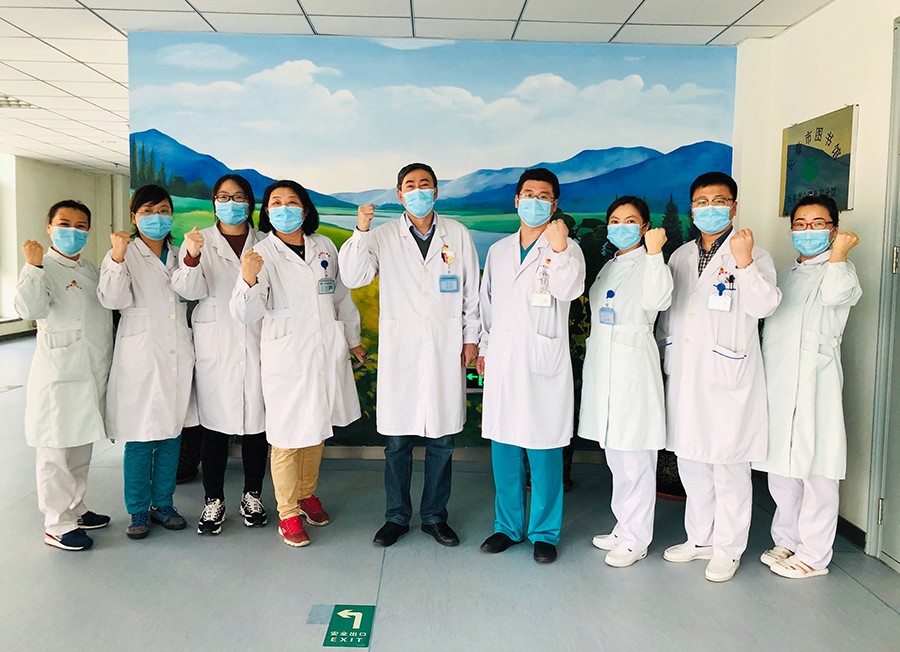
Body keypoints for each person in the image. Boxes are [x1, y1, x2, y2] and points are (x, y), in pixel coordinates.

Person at [338, 163, 480, 548]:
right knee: (397, 443)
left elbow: (471, 292)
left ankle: (434, 516)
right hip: (402, 351)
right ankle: (396, 516)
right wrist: (361, 230)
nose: (418, 191)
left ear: (436, 191)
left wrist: (471, 339)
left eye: (425, 184)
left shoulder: (457, 234)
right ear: (399, 194)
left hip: (445, 346)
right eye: (410, 186)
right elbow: (353, 277)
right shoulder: (383, 235)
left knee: (442, 441)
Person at [658, 171, 781, 582]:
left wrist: (743, 262)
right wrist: (664, 353)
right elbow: (670, 314)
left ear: (734, 206)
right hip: (686, 372)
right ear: (692, 208)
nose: (709, 208)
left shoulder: (754, 253)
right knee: (692, 461)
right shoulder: (680, 256)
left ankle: (728, 548)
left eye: (719, 201)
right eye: (701, 202)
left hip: (729, 374)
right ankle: (700, 538)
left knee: (728, 466)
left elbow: (765, 305)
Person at [230, 180, 364, 547]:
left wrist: (353, 340)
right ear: (266, 211)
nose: (284, 208)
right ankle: (287, 512)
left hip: (323, 351)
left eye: (292, 202)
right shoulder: (260, 253)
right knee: (287, 437)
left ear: (304, 210)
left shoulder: (324, 246)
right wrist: (248, 276)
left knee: (316, 428)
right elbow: (244, 313)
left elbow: (340, 296)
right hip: (287, 356)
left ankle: (306, 494)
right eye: (276, 202)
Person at [477, 168, 585, 564]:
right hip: (503, 361)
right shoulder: (499, 250)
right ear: (516, 200)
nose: (534, 202)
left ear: (554, 204)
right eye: (528, 194)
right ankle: (507, 526)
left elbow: (569, 289)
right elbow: (488, 304)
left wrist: (558, 248)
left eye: (543, 196)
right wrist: (484, 348)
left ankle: (544, 532)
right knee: (504, 449)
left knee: (544, 451)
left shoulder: (567, 249)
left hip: (542, 362)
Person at [754, 195, 861, 579]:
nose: (807, 231)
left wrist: (840, 253)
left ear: (834, 229)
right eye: (800, 224)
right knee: (782, 466)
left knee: (818, 467)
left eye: (818, 224)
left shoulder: (841, 271)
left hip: (817, 379)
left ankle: (814, 555)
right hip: (779, 377)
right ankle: (788, 538)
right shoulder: (785, 274)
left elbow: (834, 296)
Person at [172, 174, 270, 535]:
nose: (231, 203)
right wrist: (192, 256)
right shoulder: (199, 241)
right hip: (216, 342)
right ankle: (213, 500)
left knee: (257, 424)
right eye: (224, 197)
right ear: (214, 202)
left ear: (250, 203)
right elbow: (186, 290)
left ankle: (252, 495)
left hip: (257, 338)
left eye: (239, 197)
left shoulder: (265, 242)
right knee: (213, 427)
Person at [579, 196, 673, 568]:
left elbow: (658, 299)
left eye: (631, 221)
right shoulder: (610, 266)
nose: (622, 227)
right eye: (615, 221)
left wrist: (654, 253)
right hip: (605, 366)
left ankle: (636, 539)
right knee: (617, 457)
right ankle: (623, 527)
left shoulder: (652, 263)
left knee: (635, 458)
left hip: (633, 366)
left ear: (646, 227)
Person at [15, 200, 113, 551]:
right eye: (65, 223)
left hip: (90, 369)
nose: (73, 231)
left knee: (80, 446)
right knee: (55, 451)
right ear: (49, 227)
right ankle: (57, 524)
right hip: (59, 374)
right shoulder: (42, 267)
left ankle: (76, 508)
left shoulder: (89, 268)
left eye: (81, 226)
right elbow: (29, 309)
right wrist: (32, 266)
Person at [98, 184, 194, 540]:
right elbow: (112, 299)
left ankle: (163, 504)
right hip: (140, 355)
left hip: (176, 352)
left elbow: (191, 292)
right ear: (134, 217)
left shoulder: (180, 253)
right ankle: (138, 509)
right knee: (139, 437)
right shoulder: (123, 254)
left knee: (171, 434)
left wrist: (192, 259)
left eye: (164, 210)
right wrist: (117, 257)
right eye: (148, 211)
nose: (157, 218)